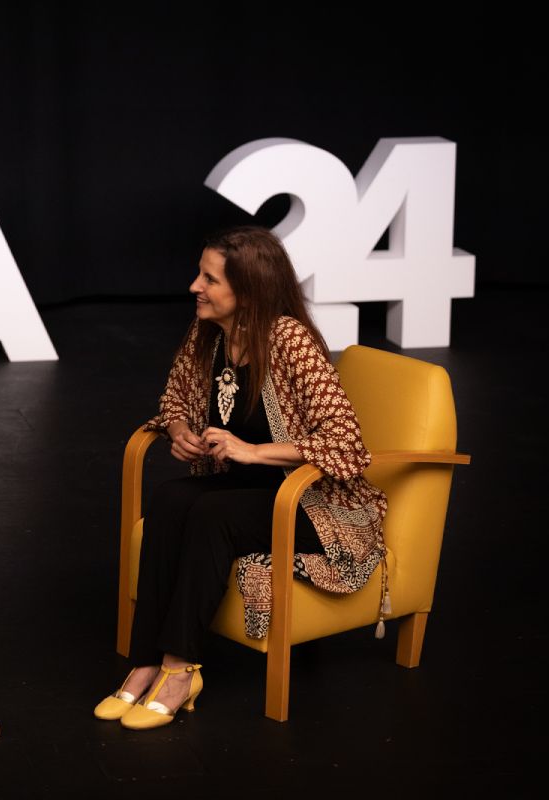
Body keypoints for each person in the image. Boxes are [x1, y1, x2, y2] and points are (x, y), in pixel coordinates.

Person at [94, 226, 387, 730]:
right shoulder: (208, 333)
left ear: (248, 291)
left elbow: (347, 444)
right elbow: (174, 401)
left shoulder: (290, 341)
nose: (194, 286)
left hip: (314, 505)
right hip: (253, 492)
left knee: (211, 511)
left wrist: (253, 451)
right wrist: (180, 430)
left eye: (209, 279)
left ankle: (180, 669)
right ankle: (144, 662)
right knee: (168, 498)